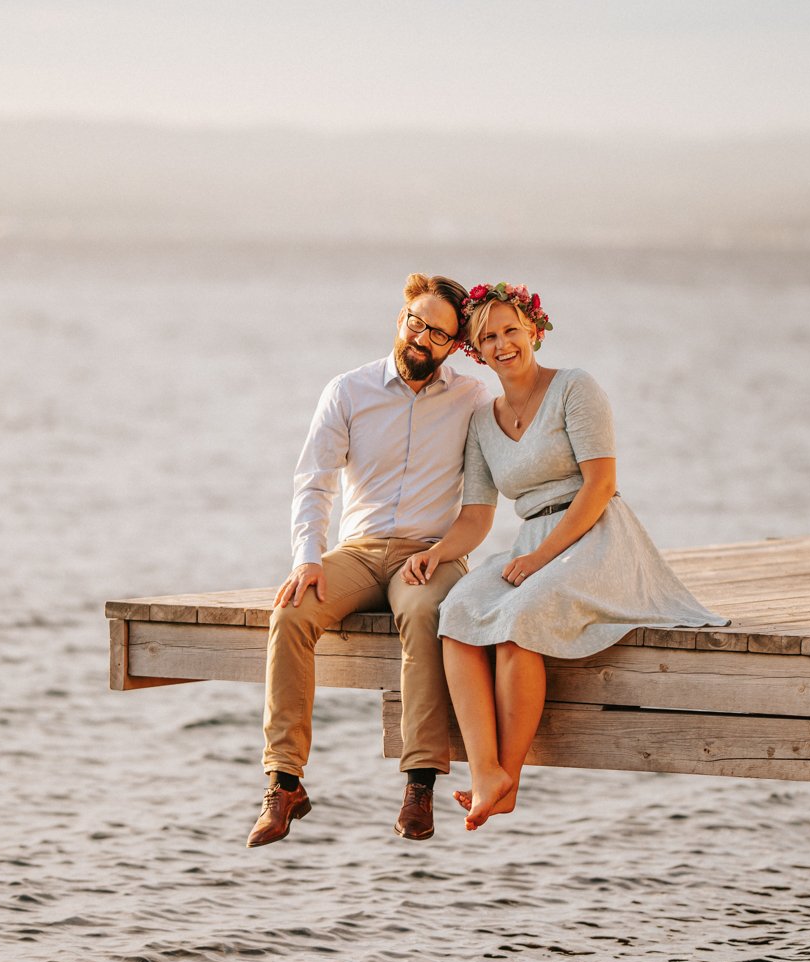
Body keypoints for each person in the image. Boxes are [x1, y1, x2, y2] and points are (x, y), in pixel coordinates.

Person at [400, 281, 727, 832]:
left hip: (596, 535)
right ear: (475, 352)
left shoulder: (576, 388)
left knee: (519, 620)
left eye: (511, 330)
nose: (503, 344)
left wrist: (536, 562)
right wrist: (437, 553)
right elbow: (478, 516)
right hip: (531, 540)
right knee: (455, 613)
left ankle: (513, 774)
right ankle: (486, 775)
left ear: (534, 330)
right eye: (489, 337)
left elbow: (600, 486)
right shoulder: (482, 419)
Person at [246, 273, 490, 848]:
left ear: (455, 346)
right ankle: (284, 782)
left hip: (430, 555)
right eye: (414, 322)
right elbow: (313, 484)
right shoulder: (348, 390)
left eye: (436, 332)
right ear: (400, 318)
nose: (420, 338)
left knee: (427, 617)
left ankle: (419, 783)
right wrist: (307, 558)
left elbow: (483, 498)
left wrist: (441, 553)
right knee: (290, 613)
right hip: (357, 552)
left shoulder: (474, 400)